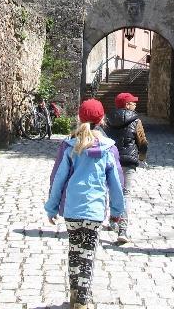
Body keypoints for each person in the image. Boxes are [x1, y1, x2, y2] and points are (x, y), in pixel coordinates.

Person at [45, 99, 126, 309]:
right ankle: (82, 299)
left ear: (80, 118)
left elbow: (58, 178)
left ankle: (74, 294)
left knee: (74, 250)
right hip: (95, 210)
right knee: (87, 254)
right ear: (101, 120)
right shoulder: (109, 149)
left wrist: (52, 207)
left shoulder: (69, 145)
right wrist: (117, 212)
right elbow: (117, 182)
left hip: (72, 208)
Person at [102, 91, 149, 245]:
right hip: (128, 162)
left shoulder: (107, 120)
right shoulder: (136, 121)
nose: (135, 104)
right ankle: (123, 229)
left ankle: (113, 221)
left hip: (111, 159)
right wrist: (141, 158)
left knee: (112, 190)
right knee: (126, 193)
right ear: (127, 105)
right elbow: (142, 142)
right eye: (133, 102)